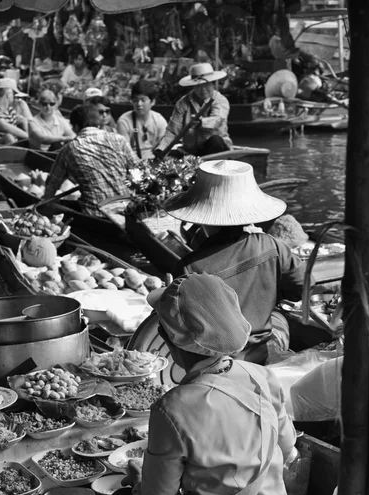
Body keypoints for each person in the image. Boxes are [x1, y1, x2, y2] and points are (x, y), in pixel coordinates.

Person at [106, 273, 297, 495]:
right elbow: (289, 450)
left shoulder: (173, 407)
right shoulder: (262, 376)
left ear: (168, 342)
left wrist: (138, 481)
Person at [168, 160, 312, 365]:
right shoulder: (272, 245)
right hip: (260, 355)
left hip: (215, 363)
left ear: (202, 218)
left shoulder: (189, 267)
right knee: (280, 320)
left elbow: (185, 330)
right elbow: (305, 286)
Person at [44, 103, 139, 217]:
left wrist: (45, 204)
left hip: (96, 214)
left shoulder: (70, 148)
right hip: (127, 209)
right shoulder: (120, 139)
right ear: (98, 124)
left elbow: (52, 184)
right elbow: (138, 170)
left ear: (75, 127)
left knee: (57, 207)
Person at [154, 63, 232, 158]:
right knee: (170, 156)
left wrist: (201, 122)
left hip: (216, 148)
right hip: (191, 150)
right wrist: (162, 149)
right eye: (199, 85)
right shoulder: (183, 103)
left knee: (215, 140)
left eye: (206, 84)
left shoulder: (219, 100)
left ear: (212, 84)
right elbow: (172, 131)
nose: (203, 89)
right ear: (193, 86)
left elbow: (218, 120)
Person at [117, 80, 167, 160]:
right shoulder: (124, 121)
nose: (139, 104)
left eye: (143, 100)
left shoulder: (159, 120)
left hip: (156, 162)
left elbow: (164, 145)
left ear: (153, 101)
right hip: (133, 163)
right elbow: (124, 151)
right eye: (135, 100)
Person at [0, 77, 28, 146]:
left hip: (9, 149)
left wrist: (24, 121)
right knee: (8, 137)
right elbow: (5, 126)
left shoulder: (10, 110)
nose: (14, 97)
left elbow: (23, 119)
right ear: (8, 94)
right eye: (13, 94)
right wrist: (28, 136)